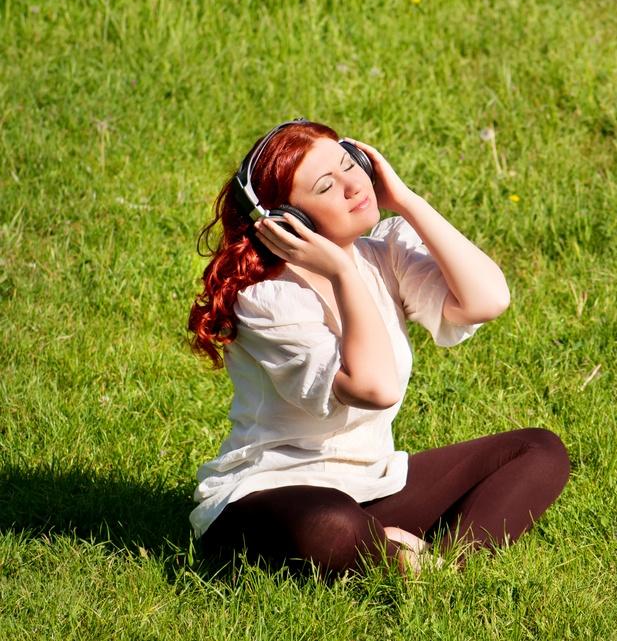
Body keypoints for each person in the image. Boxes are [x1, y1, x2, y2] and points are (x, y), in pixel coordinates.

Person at [186, 119, 570, 576]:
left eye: (351, 165)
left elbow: (487, 300)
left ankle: (443, 571)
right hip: (272, 496)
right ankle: (397, 556)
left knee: (539, 451)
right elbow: (375, 388)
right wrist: (341, 273)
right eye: (326, 186)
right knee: (332, 523)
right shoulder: (268, 299)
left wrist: (405, 200)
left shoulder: (384, 253)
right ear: (287, 221)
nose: (353, 186)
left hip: (371, 484)